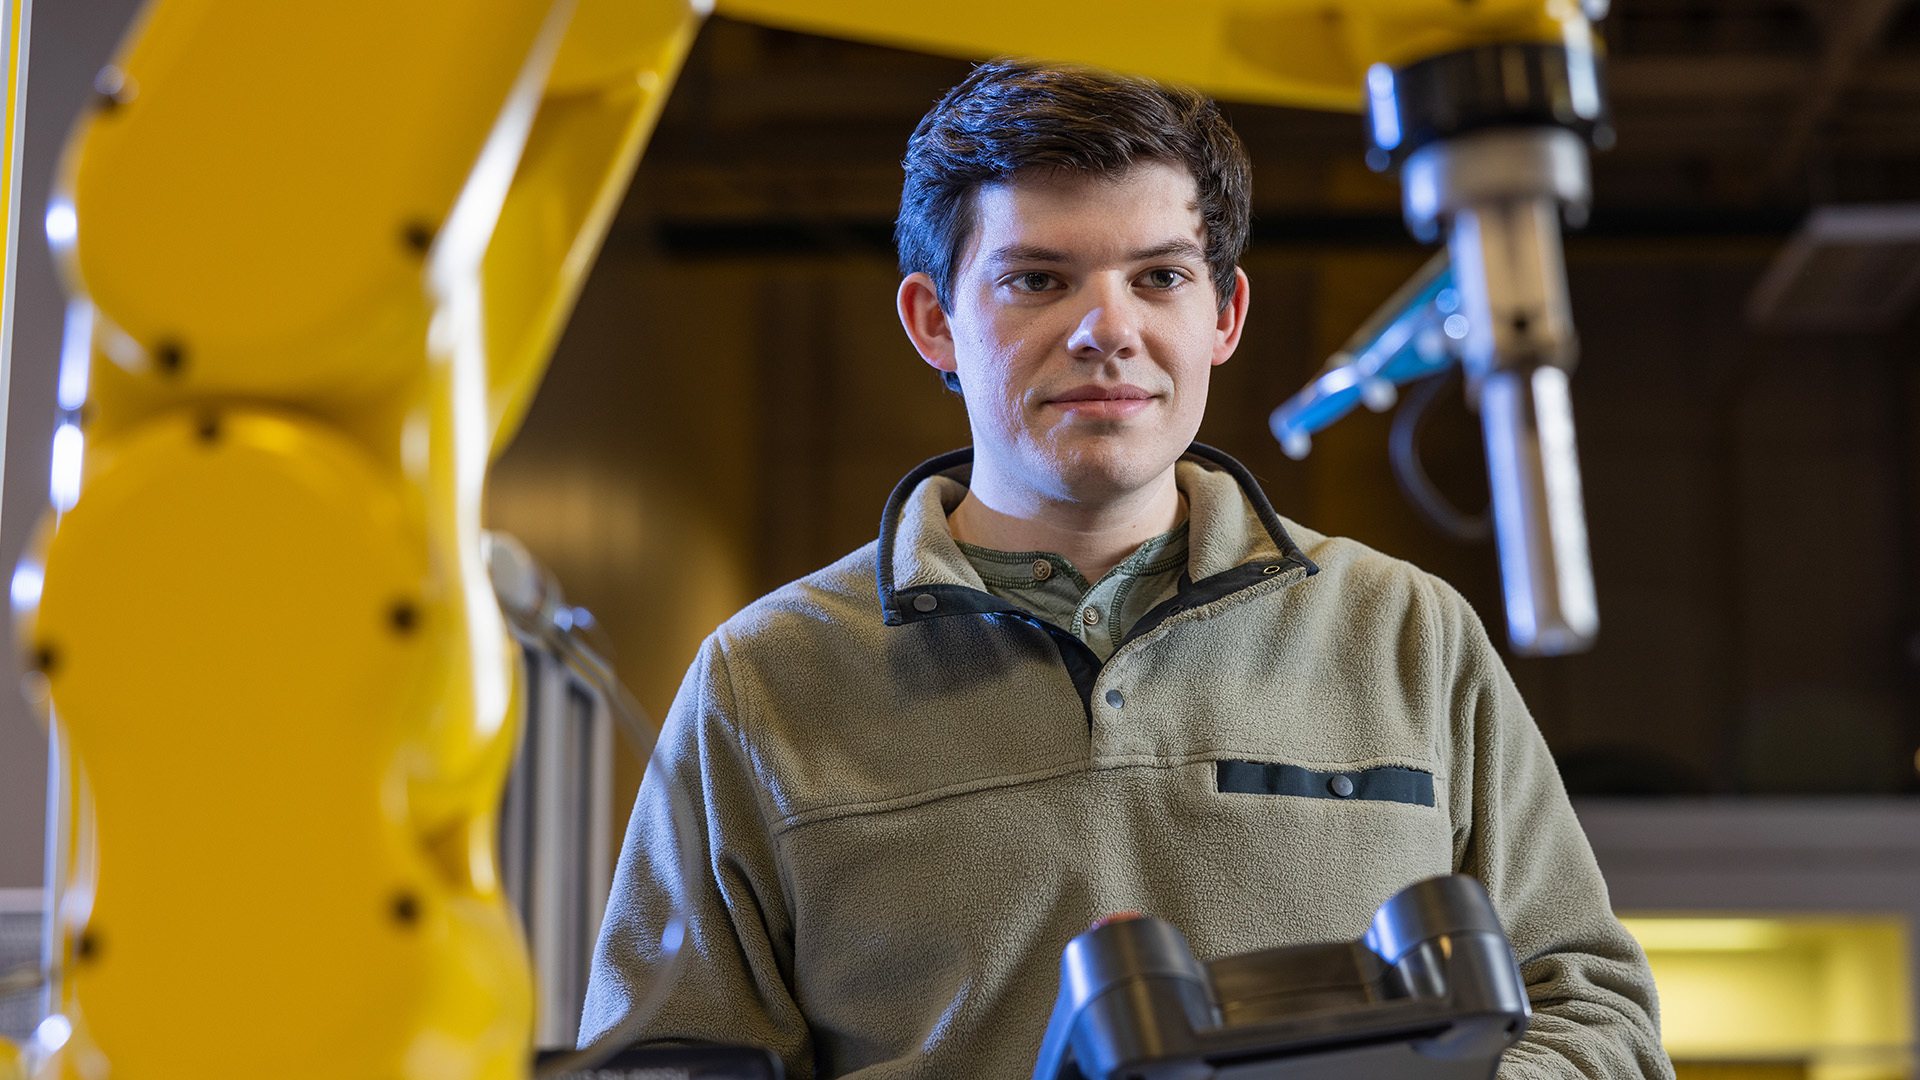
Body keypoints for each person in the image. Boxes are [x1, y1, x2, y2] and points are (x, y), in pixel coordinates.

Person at [581, 60, 1672, 1080]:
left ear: (1223, 316)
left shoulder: (1405, 635)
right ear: (934, 323)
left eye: (1160, 277)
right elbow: (666, 1060)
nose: (1109, 328)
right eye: (1037, 280)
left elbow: (1594, 1007)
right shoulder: (765, 682)